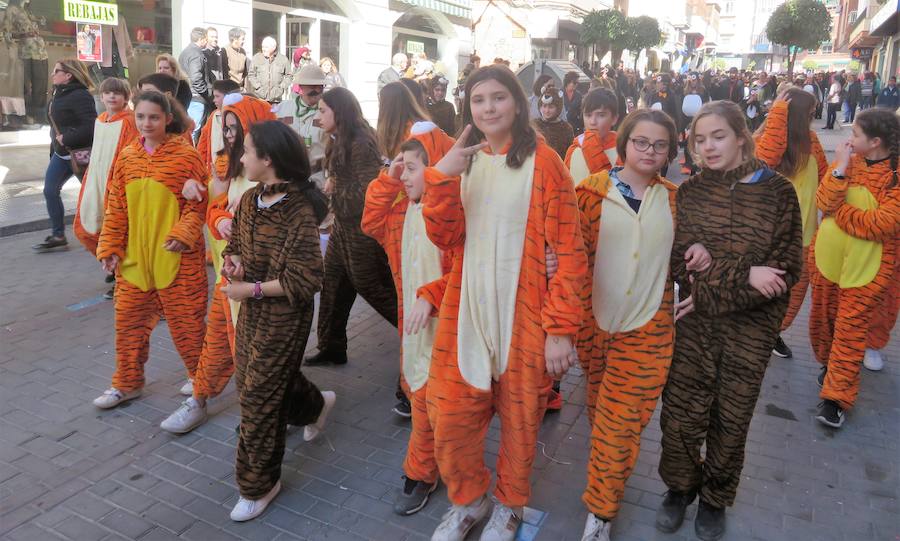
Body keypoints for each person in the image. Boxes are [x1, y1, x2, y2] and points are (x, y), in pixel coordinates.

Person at [422, 65, 586, 541]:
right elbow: (447, 238)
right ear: (468, 107)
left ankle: (509, 506)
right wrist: (441, 178)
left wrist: (560, 329)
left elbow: (570, 251)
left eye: (498, 97)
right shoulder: (462, 159)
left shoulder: (547, 163)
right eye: (478, 100)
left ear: (517, 103)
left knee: (520, 425)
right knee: (447, 417)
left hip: (526, 313)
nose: (489, 107)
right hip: (467, 307)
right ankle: (470, 500)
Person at [655, 100, 802, 541]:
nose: (708, 147)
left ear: (741, 136)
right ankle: (679, 488)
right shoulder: (692, 192)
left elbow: (781, 275)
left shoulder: (778, 193)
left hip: (750, 334)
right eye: (699, 140)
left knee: (731, 419)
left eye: (718, 136)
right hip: (695, 328)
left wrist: (711, 284)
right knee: (680, 415)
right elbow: (681, 265)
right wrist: (735, 274)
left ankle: (716, 498)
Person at [575, 109, 691, 541]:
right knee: (599, 412)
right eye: (641, 142)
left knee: (619, 425)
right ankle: (605, 470)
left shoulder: (677, 199)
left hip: (649, 329)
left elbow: (683, 261)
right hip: (593, 326)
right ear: (624, 144)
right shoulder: (589, 193)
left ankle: (600, 512)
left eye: (660, 145)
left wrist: (699, 271)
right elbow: (571, 257)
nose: (650, 151)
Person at [221, 120, 335, 522]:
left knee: (257, 396)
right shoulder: (251, 199)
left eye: (247, 150)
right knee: (260, 380)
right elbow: (237, 246)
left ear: (267, 159)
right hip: (252, 310)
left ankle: (258, 484)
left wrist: (249, 290)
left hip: (284, 317)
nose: (242, 157)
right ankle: (315, 406)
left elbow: (305, 280)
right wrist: (232, 262)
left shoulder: (300, 211)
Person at [160, 94, 276, 434]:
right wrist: (215, 211)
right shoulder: (228, 163)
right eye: (224, 128)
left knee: (263, 353)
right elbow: (214, 203)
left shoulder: (276, 169)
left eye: (234, 127)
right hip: (230, 272)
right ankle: (199, 398)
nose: (227, 135)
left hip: (263, 280)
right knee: (217, 342)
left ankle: (298, 406)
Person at [92, 90, 209, 410]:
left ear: (168, 119)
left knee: (188, 323)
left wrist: (184, 233)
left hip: (177, 261)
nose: (146, 123)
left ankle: (201, 378)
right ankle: (126, 383)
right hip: (134, 263)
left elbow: (198, 206)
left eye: (154, 117)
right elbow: (116, 206)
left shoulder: (187, 157)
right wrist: (110, 247)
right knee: (128, 326)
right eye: (141, 116)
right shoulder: (127, 157)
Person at [361, 137, 455, 516]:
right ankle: (428, 470)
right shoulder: (398, 216)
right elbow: (370, 221)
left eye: (412, 168)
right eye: (401, 166)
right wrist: (390, 175)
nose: (404, 175)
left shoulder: (452, 215)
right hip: (414, 336)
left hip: (449, 333)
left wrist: (431, 296)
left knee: (437, 408)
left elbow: (466, 268)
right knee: (422, 401)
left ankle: (423, 472)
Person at [809, 108, 900, 429]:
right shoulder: (847, 162)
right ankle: (830, 366)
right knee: (823, 322)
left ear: (875, 142)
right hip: (826, 265)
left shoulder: (895, 174)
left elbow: (883, 224)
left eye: (857, 135)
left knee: (849, 332)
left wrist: (840, 213)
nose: (850, 140)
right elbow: (822, 201)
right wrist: (842, 168)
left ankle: (836, 398)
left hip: (867, 273)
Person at [303, 88, 397, 375]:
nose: (319, 116)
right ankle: (332, 346)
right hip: (344, 227)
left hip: (361, 231)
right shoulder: (340, 138)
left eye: (323, 111)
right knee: (333, 284)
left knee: (373, 287)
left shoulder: (359, 141)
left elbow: (370, 189)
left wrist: (334, 195)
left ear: (339, 112)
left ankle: (423, 334)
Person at [754, 88, 828, 359]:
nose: (813, 117)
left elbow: (826, 179)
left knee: (794, 297)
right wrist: (776, 115)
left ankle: (772, 332)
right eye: (809, 113)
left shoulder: (813, 142)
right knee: (765, 293)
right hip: (770, 240)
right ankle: (759, 335)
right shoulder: (765, 143)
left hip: (806, 239)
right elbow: (764, 160)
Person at [72, 77, 137, 287]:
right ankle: (110, 262)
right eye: (108, 93)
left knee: (115, 230)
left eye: (117, 93)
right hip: (96, 181)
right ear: (101, 95)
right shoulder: (100, 120)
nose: (112, 96)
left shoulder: (129, 121)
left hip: (115, 184)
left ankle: (120, 274)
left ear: (126, 98)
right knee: (85, 228)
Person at [33, 59, 97, 253]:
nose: (53, 74)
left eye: (56, 71)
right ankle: (59, 235)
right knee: (50, 191)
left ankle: (105, 235)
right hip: (61, 155)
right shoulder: (58, 93)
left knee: (93, 197)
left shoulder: (80, 95)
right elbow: (55, 125)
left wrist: (67, 137)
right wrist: (56, 145)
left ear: (68, 75)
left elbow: (91, 126)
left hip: (81, 155)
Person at [276, 64, 327, 191]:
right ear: (301, 87)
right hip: (285, 180)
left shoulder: (328, 112)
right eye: (311, 86)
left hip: (316, 181)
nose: (316, 90)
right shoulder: (283, 108)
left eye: (319, 86)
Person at [2, 0, 48, 126]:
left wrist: (41, 22)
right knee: (27, 87)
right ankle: (29, 116)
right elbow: (6, 30)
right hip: (26, 50)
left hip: (41, 50)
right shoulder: (12, 9)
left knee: (41, 85)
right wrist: (10, 48)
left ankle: (39, 115)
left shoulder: (28, 10)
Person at [565, 88, 619, 185]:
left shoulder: (624, 150)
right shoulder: (573, 150)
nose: (592, 122)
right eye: (588, 115)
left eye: (601, 115)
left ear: (614, 119)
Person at [196, 79, 242, 177]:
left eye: (217, 96)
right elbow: (203, 143)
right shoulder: (213, 116)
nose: (214, 100)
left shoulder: (241, 117)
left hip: (233, 170)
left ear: (228, 97)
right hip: (213, 170)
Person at [137, 73, 196, 144]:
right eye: (142, 93)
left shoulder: (181, 136)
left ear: (167, 95)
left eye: (149, 92)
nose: (144, 97)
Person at [179, 27, 213, 142]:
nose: (207, 42)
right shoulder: (196, 54)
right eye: (206, 39)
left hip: (189, 96)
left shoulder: (185, 52)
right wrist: (206, 92)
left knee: (190, 129)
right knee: (193, 130)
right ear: (202, 39)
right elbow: (196, 77)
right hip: (197, 98)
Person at [532, 84, 573, 159]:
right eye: (544, 106)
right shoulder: (534, 125)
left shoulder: (566, 128)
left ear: (558, 108)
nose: (547, 111)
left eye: (551, 107)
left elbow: (569, 154)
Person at [248, 37, 292, 104]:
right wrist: (258, 87)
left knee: (275, 115)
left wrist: (281, 87)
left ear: (274, 47)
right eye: (263, 47)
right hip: (260, 99)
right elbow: (251, 75)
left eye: (266, 47)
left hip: (276, 100)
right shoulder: (256, 58)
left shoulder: (283, 59)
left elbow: (289, 76)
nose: (263, 49)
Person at [563, 71, 584, 136]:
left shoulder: (578, 95)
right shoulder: (559, 93)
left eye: (577, 83)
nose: (576, 84)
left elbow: (580, 112)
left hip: (574, 128)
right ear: (568, 82)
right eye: (574, 83)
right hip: (562, 127)